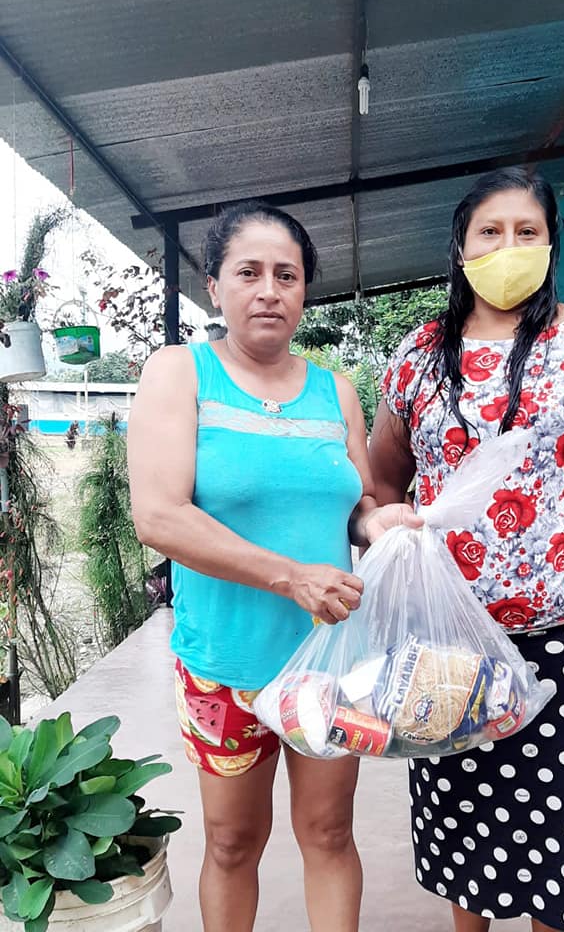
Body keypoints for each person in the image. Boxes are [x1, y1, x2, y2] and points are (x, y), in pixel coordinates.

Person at [368, 168, 564, 932]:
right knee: (464, 823)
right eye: (490, 232)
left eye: (526, 231)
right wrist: (384, 534)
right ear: (460, 247)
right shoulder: (418, 355)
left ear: (549, 244)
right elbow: (381, 482)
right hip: (448, 641)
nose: (508, 247)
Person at [127, 200, 419, 932]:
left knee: (328, 832)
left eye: (286, 276)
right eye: (248, 272)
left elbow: (355, 504)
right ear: (213, 285)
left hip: (330, 663)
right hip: (225, 663)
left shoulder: (335, 391)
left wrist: (376, 522)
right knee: (232, 842)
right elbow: (159, 515)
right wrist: (291, 576)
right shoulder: (180, 373)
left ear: (304, 290)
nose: (268, 291)